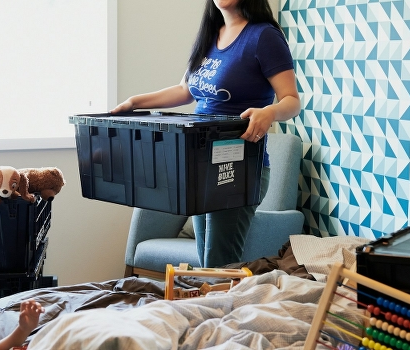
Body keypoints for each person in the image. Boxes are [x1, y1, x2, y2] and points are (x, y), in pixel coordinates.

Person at [111, 0, 300, 267]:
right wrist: (134, 102)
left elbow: (291, 100)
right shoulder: (210, 35)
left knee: (219, 264)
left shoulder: (263, 36)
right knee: (206, 264)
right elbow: (184, 91)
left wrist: (268, 112)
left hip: (238, 166)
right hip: (199, 166)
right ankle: (210, 307)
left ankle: (224, 308)